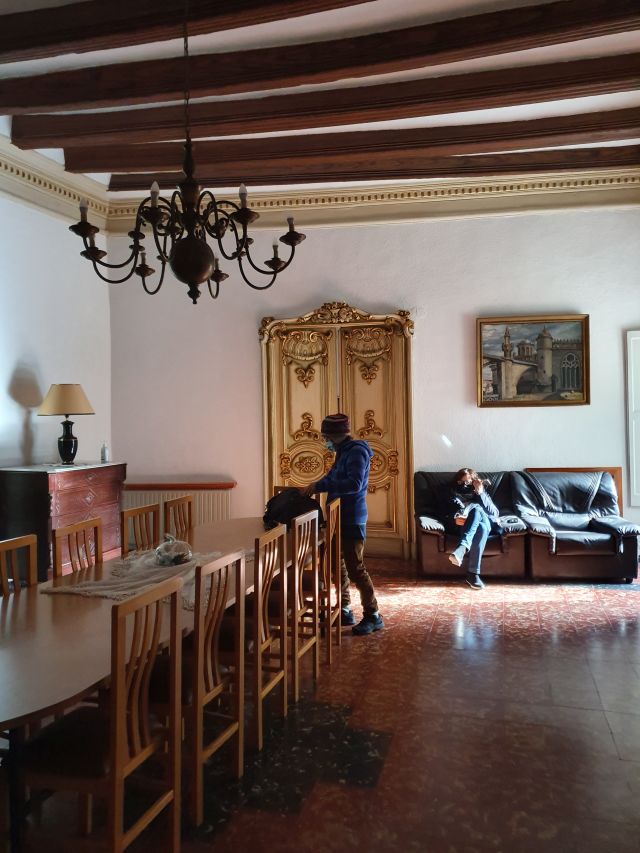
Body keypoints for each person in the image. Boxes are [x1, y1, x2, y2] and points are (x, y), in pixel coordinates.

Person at [300, 413, 383, 636]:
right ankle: (345, 609)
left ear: (335, 435)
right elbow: (332, 478)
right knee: (338, 566)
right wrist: (316, 485)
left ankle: (373, 615)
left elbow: (354, 484)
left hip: (352, 517)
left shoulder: (357, 452)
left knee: (356, 569)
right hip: (337, 516)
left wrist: (320, 486)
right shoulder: (343, 451)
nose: (325, 441)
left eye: (326, 436)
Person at [441, 468, 500, 590]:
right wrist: (454, 519)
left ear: (474, 482)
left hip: (486, 521)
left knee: (476, 508)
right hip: (463, 525)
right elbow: (442, 513)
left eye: (467, 482)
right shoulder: (450, 492)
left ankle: (462, 547)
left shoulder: (481, 492)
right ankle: (473, 575)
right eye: (460, 482)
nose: (463, 485)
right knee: (481, 528)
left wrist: (480, 493)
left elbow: (495, 513)